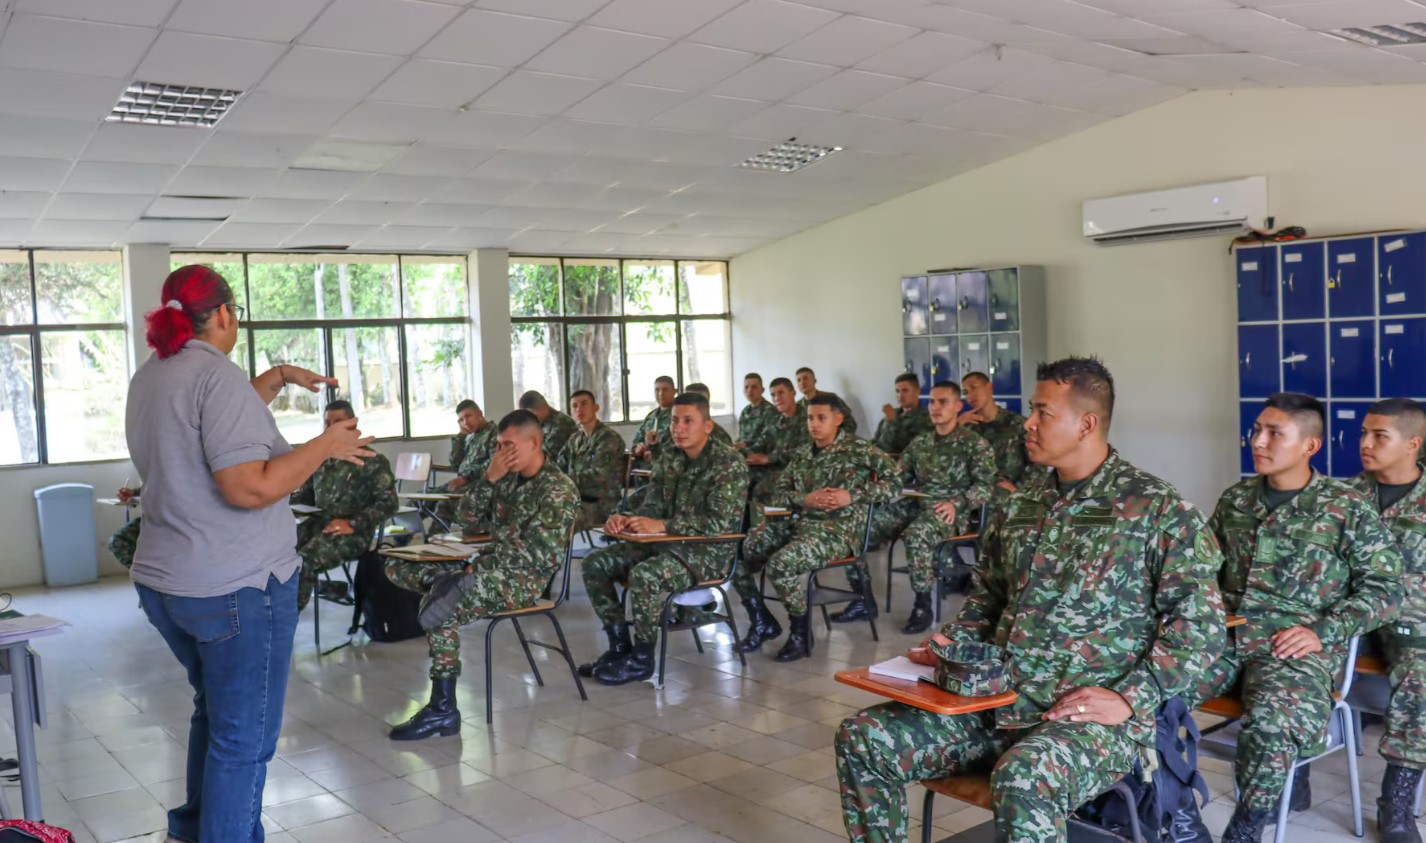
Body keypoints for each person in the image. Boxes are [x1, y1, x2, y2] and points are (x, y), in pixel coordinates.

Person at [836, 356, 1227, 843]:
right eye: (1031, 410)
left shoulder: (1155, 508)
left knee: (1023, 780)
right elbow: (989, 595)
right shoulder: (1022, 503)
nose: (1028, 423)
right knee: (864, 739)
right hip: (996, 700)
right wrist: (951, 642)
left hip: (1085, 718)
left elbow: (1201, 628)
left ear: (1086, 424)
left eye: (1043, 412)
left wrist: (1131, 697)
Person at [127, 265, 374, 843]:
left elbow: (213, 423)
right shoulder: (216, 377)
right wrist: (324, 445)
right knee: (243, 741)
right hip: (233, 586)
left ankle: (194, 830)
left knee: (215, 713)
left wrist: (279, 376)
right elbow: (248, 486)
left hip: (167, 582)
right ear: (223, 314)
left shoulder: (154, 374)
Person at [1194, 392, 1402, 843]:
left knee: (1271, 723)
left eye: (1274, 433)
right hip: (1225, 640)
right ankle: (1170, 813)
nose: (1258, 441)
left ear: (1310, 445)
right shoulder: (1236, 500)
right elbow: (1201, 572)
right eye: (1256, 431)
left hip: (1294, 649)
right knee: (1145, 692)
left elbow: (1386, 590)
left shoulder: (1345, 507)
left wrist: (1323, 631)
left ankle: (1245, 829)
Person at [386, 410, 578, 740]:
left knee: (443, 608)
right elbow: (467, 520)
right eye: (498, 446)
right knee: (396, 565)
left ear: (533, 443)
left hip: (523, 580)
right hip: (485, 565)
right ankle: (442, 582)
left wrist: (481, 564)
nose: (501, 453)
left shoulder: (557, 488)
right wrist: (488, 479)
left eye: (508, 446)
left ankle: (443, 708)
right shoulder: (506, 477)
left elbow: (542, 554)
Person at [580, 393, 747, 685]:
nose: (678, 428)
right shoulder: (670, 457)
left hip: (707, 553)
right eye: (674, 421)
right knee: (595, 563)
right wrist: (625, 517)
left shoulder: (728, 463)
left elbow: (719, 523)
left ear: (707, 426)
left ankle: (642, 660)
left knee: (645, 575)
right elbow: (653, 504)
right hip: (664, 544)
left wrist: (662, 525)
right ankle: (620, 646)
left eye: (688, 421)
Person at [733, 393, 896, 662]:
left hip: (839, 531)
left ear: (838, 419)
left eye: (821, 418)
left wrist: (852, 495)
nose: (814, 424)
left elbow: (895, 482)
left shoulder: (859, 449)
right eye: (810, 418)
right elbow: (779, 493)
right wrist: (803, 499)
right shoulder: (802, 453)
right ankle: (761, 621)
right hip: (800, 525)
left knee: (780, 565)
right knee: (736, 553)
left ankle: (800, 634)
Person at [838, 380, 996, 633]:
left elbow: (985, 486)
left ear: (958, 406)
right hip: (917, 503)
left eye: (942, 402)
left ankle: (923, 606)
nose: (935, 407)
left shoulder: (974, 444)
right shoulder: (921, 443)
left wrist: (958, 503)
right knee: (854, 527)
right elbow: (897, 478)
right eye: (931, 402)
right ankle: (862, 600)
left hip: (949, 511)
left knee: (916, 535)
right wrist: (857, 495)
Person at [1352, 398, 1426, 843]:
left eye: (1379, 436)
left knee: (1422, 676)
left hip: (1411, 619)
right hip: (1352, 614)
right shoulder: (1343, 496)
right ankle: (1293, 777)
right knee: (1293, 656)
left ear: (1412, 444)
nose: (1365, 443)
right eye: (1364, 433)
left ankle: (1396, 801)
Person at [290, 400, 399, 612]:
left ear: (352, 425)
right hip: (317, 526)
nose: (331, 428)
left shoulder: (371, 460)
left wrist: (353, 523)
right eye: (327, 423)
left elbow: (389, 503)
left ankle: (287, 620)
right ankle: (272, 612)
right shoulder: (322, 459)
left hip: (351, 533)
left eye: (337, 422)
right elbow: (305, 496)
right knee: (278, 554)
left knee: (304, 562)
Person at [558, 389, 626, 533]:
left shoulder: (608, 438)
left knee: (559, 519)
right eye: (574, 406)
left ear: (596, 408)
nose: (579, 409)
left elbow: (598, 476)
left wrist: (563, 480)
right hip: (576, 499)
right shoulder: (575, 439)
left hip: (601, 503)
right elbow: (558, 466)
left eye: (584, 404)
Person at [959, 371, 1029, 493]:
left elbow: (1038, 463)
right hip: (976, 497)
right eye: (965, 392)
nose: (970, 395)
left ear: (989, 387)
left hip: (1011, 497)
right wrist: (956, 425)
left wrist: (1019, 488)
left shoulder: (1016, 423)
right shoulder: (966, 426)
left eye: (974, 388)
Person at [745, 377, 811, 502]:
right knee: (741, 477)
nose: (777, 398)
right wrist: (746, 454)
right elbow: (761, 443)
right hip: (773, 468)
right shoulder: (775, 420)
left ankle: (760, 514)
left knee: (760, 489)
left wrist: (770, 458)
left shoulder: (807, 418)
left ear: (793, 393)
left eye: (781, 393)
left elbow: (805, 451)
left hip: (796, 470)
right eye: (773, 395)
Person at [434, 400, 497, 528]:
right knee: (419, 500)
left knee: (444, 504)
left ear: (480, 413)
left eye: (468, 416)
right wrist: (461, 436)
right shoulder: (471, 436)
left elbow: (494, 463)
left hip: (480, 484)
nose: (465, 422)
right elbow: (455, 463)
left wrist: (466, 478)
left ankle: (435, 538)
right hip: (462, 483)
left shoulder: (494, 433)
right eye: (461, 420)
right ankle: (403, 538)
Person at [871, 373, 932, 454]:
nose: (900, 396)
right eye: (897, 391)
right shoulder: (892, 413)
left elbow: (910, 447)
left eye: (905, 391)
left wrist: (893, 421)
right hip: (878, 459)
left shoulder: (927, 418)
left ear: (917, 391)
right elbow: (875, 440)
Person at [796, 366, 858, 433]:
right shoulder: (797, 407)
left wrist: (837, 438)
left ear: (814, 381)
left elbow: (849, 422)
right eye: (799, 380)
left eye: (805, 378)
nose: (802, 382)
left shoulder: (830, 399)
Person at [517, 390, 579, 457]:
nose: (529, 419)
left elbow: (542, 456)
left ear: (541, 408)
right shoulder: (542, 423)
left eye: (531, 414)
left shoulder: (561, 424)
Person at [632, 375, 677, 461]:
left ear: (674, 391)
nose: (660, 393)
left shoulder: (679, 415)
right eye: (657, 390)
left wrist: (656, 453)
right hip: (647, 466)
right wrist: (639, 448)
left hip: (670, 464)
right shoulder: (651, 416)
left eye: (665, 389)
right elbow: (636, 442)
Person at [735, 373, 778, 452]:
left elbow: (767, 440)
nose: (750, 390)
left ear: (762, 390)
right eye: (746, 387)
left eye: (754, 387)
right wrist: (736, 445)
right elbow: (742, 436)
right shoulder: (745, 411)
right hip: (745, 453)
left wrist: (745, 446)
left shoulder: (770, 411)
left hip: (761, 455)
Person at [108, 486, 141, 569]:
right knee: (118, 541)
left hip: (169, 522)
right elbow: (152, 488)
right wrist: (133, 493)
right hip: (154, 520)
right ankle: (144, 573)